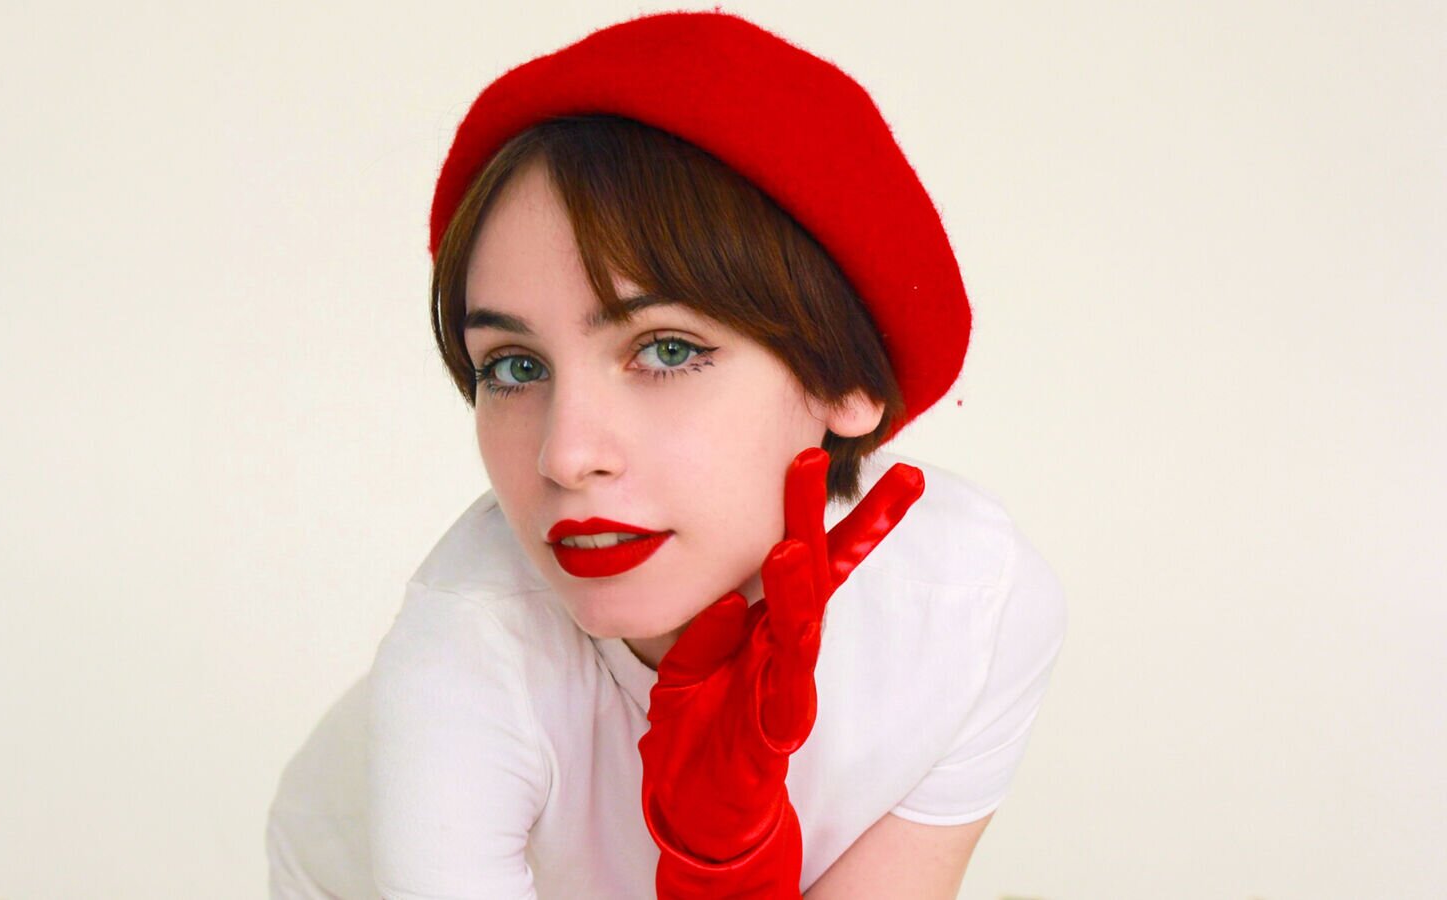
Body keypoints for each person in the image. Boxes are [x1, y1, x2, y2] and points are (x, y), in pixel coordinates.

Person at [267, 10, 1067, 899]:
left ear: (845, 377)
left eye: (668, 350)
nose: (566, 455)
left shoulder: (967, 607)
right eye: (515, 366)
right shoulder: (465, 660)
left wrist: (731, 866)